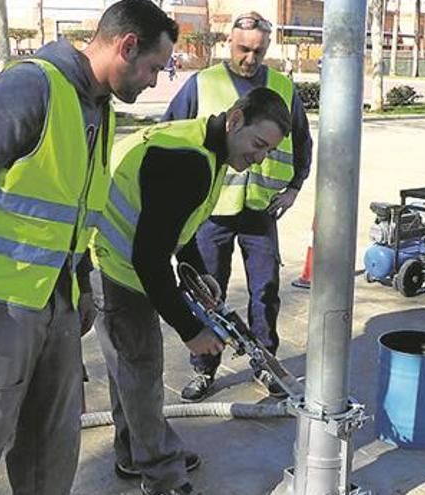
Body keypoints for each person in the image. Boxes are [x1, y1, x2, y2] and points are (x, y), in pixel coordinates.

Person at [0, 2, 177, 494]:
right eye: (155, 67)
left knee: (52, 446)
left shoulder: (98, 107)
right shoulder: (33, 86)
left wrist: (82, 285)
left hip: (58, 304)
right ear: (127, 46)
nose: (156, 81)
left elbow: (74, 211)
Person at [90, 87, 292, 495]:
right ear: (235, 120)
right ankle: (164, 477)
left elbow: (177, 226)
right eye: (258, 144)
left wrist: (197, 274)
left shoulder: (204, 144)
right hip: (118, 273)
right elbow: (149, 257)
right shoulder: (189, 162)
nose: (260, 157)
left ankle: (133, 453)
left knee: (127, 371)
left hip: (114, 262)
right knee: (142, 376)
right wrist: (190, 330)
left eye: (268, 150)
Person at [162, 11, 313, 403]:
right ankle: (205, 368)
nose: (250, 57)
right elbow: (170, 133)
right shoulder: (203, 84)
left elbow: (302, 142)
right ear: (230, 43)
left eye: (259, 50)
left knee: (265, 292)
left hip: (261, 213)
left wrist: (295, 187)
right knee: (208, 294)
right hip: (212, 213)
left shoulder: (282, 87)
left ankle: (266, 364)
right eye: (244, 49)